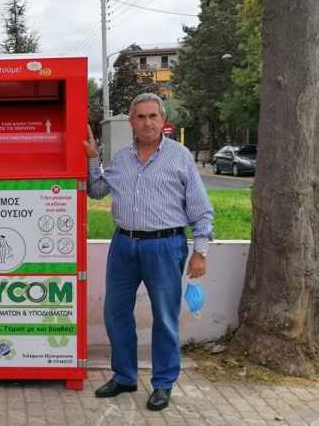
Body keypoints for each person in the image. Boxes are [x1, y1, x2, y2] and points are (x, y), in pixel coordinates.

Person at [85, 93, 214, 411]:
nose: (147, 123)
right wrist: (92, 158)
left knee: (165, 317)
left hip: (165, 246)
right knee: (115, 313)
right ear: (131, 122)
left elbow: (201, 210)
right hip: (124, 245)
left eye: (153, 116)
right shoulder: (121, 158)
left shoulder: (180, 156)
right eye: (140, 117)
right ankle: (124, 376)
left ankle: (163, 383)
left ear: (163, 120)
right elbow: (97, 190)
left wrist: (200, 252)